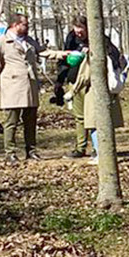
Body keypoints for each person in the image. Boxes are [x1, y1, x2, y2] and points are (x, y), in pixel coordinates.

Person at [0, 13, 67, 163]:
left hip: (30, 85)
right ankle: (10, 153)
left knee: (30, 120)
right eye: (25, 24)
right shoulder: (2, 41)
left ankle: (31, 151)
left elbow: (43, 52)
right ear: (15, 25)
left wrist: (62, 54)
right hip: (12, 86)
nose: (28, 27)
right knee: (11, 122)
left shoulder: (29, 40)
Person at [73, 39, 125, 166]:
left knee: (94, 124)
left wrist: (73, 91)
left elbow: (85, 76)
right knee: (107, 123)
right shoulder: (114, 55)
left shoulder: (95, 57)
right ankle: (108, 151)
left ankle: (100, 153)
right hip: (111, 93)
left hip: (95, 93)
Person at [56, 17, 91, 158]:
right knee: (79, 117)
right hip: (74, 81)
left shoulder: (98, 38)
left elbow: (112, 53)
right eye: (76, 31)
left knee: (93, 116)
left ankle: (98, 148)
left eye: (81, 31)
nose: (79, 34)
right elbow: (64, 60)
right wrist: (59, 81)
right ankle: (80, 147)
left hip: (90, 83)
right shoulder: (71, 38)